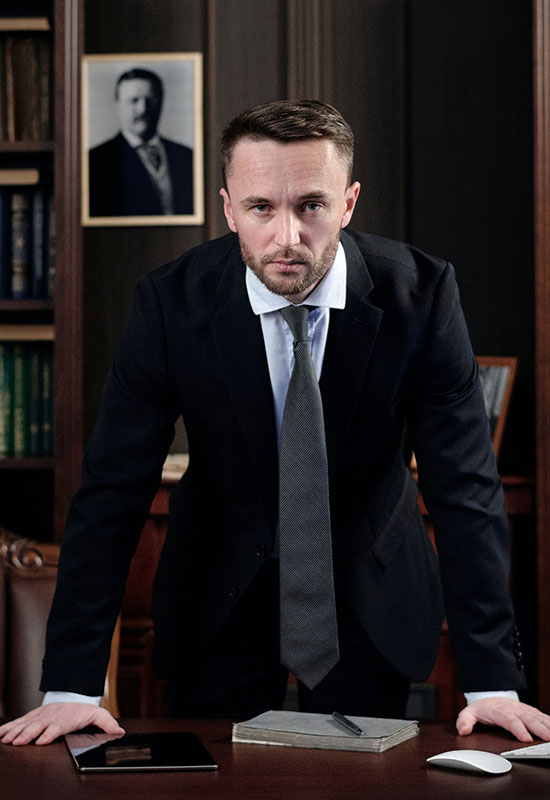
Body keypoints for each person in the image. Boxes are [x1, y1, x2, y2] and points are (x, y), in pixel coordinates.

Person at [2, 100, 550, 747]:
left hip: (369, 592)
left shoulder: (422, 297)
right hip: (216, 593)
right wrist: (71, 685)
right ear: (229, 209)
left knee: (357, 785)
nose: (287, 237)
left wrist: (492, 682)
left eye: (311, 206)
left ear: (347, 204)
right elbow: (110, 495)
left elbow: (465, 489)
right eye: (261, 207)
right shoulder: (170, 304)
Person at [88, 68, 194, 217]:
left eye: (150, 99)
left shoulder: (187, 156)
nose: (143, 109)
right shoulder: (96, 161)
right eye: (134, 100)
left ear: (161, 101)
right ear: (118, 104)